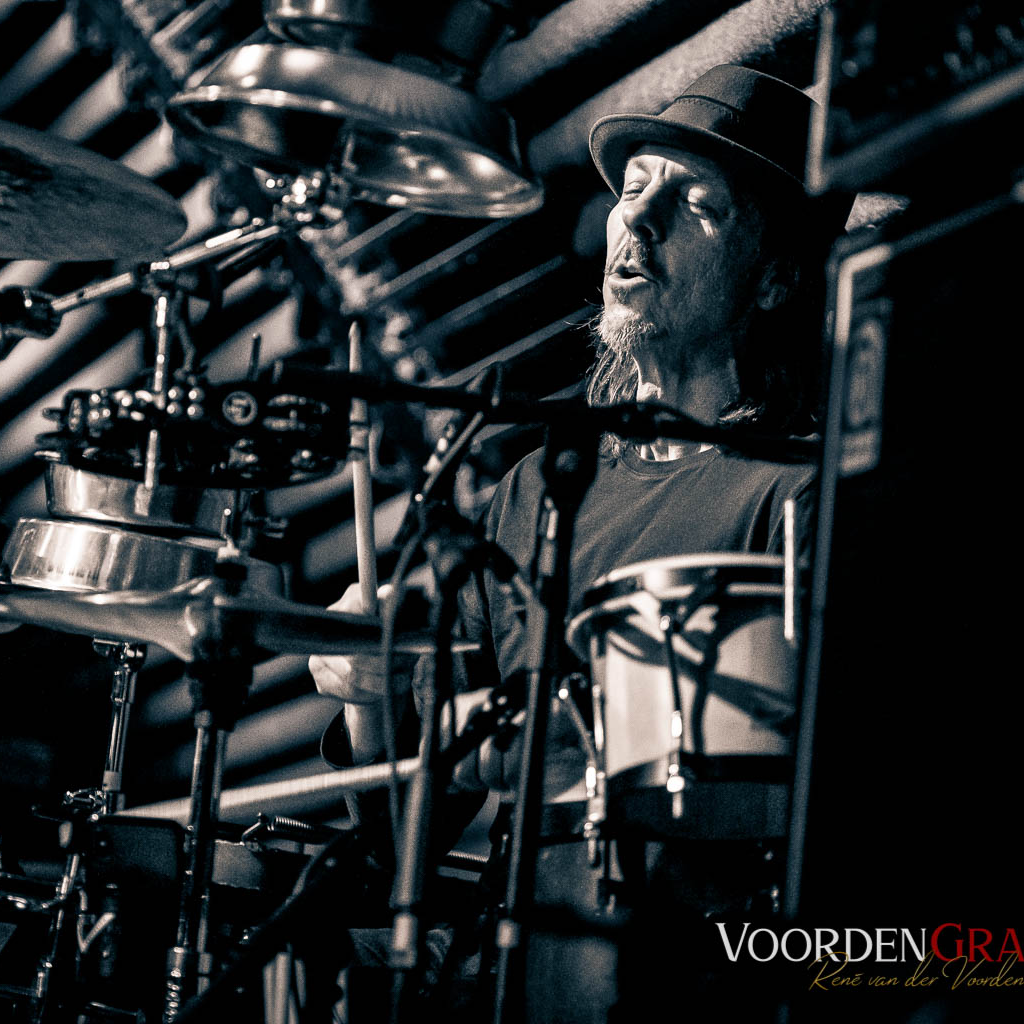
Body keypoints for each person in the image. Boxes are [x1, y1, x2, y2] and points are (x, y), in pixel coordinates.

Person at [310, 64, 850, 1018]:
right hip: (512, 973)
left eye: (696, 205)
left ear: (776, 279)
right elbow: (404, 842)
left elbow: (822, 809)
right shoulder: (537, 487)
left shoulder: (799, 494)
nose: (638, 219)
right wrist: (372, 692)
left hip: (693, 981)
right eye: (633, 188)